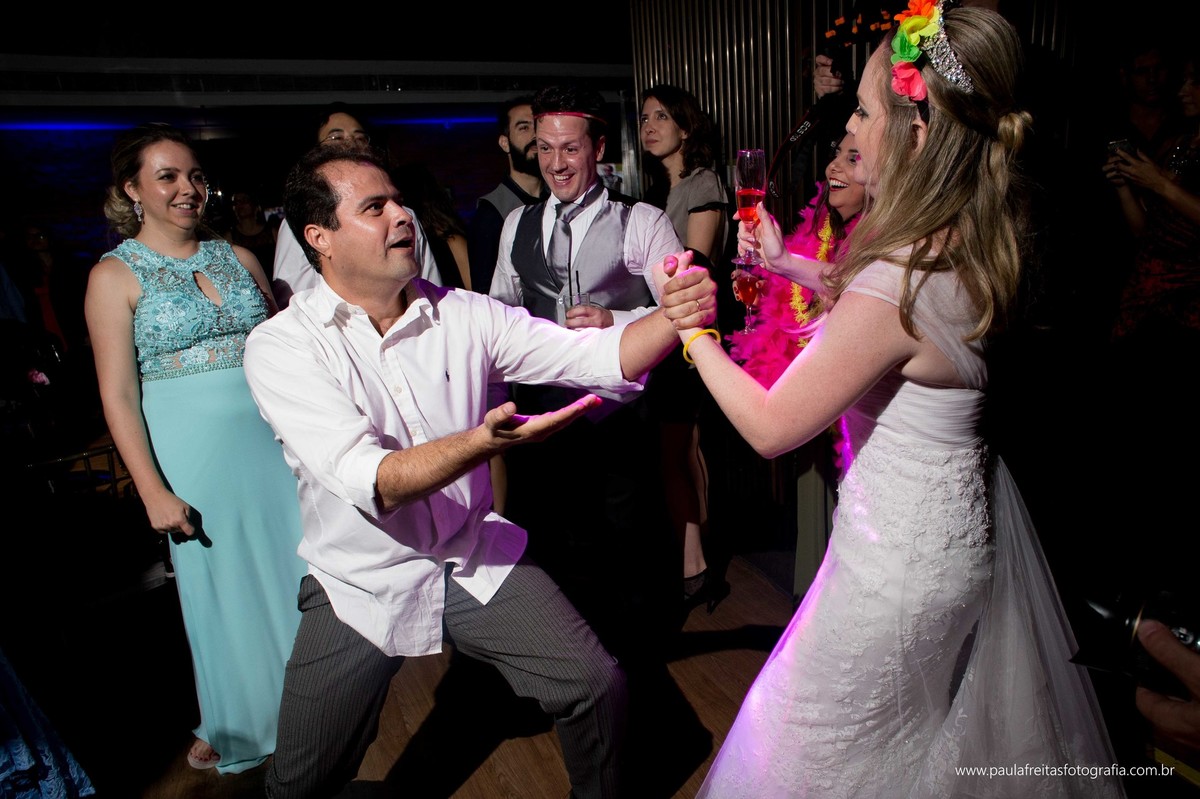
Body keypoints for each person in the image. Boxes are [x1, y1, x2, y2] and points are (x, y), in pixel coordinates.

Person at [658, 5, 1126, 796]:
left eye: (866, 110)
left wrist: (691, 331)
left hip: (895, 572)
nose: (854, 124)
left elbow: (771, 426)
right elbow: (875, 310)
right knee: (902, 747)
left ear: (915, 131)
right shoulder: (972, 237)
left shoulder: (894, 278)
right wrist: (786, 263)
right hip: (950, 544)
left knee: (800, 743)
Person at [242, 145, 716, 799]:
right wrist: (478, 442)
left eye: (399, 200)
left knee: (594, 682)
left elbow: (596, 354)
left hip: (468, 552)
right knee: (299, 782)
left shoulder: (463, 313)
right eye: (375, 207)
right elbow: (370, 477)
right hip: (360, 576)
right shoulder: (282, 346)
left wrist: (675, 312)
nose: (402, 216)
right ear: (319, 237)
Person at [83, 124, 306, 773]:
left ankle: (320, 705)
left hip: (272, 444)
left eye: (195, 176)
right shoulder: (113, 275)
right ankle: (244, 717)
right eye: (169, 177)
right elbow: (118, 396)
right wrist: (151, 489)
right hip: (195, 455)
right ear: (133, 189)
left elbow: (283, 356)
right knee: (223, 586)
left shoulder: (239, 257)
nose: (189, 189)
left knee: (297, 572)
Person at [489, 84, 683, 655]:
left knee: (628, 540)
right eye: (545, 149)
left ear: (598, 148)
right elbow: (499, 311)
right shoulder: (515, 226)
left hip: (616, 409)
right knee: (553, 537)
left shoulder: (640, 221)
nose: (555, 164)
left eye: (569, 149)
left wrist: (616, 317)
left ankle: (639, 656)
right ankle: (573, 656)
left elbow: (682, 310)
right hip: (542, 409)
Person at [639, 84, 729, 616]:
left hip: (692, 335)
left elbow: (694, 263)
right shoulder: (659, 191)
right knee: (675, 448)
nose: (649, 125)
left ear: (686, 127)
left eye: (662, 117)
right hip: (667, 333)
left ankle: (697, 569)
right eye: (645, 117)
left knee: (682, 448)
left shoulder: (704, 183)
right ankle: (691, 564)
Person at [271, 105, 443, 307]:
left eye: (360, 138)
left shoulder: (404, 215)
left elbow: (429, 288)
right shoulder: (304, 221)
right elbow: (290, 298)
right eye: (336, 137)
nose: (351, 143)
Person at [467, 96, 547, 295]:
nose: (535, 135)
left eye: (538, 126)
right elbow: (485, 294)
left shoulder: (559, 199)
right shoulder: (492, 213)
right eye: (524, 127)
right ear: (504, 142)